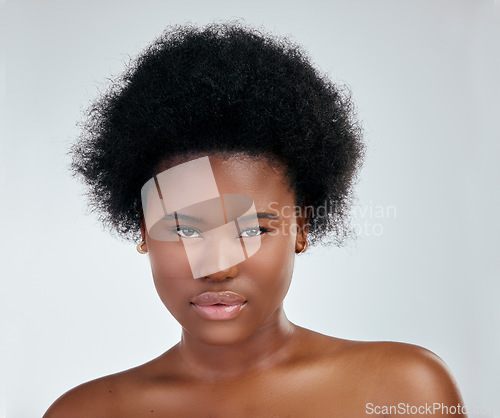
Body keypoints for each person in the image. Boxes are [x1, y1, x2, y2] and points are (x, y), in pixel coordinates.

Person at [44, 22, 466, 417]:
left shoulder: (404, 390)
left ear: (301, 228)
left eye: (252, 229)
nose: (219, 267)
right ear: (143, 233)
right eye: (185, 229)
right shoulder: (86, 412)